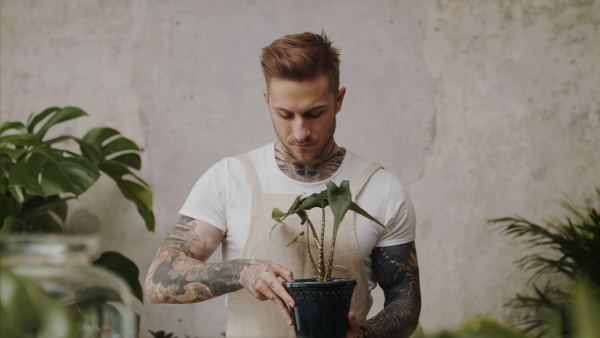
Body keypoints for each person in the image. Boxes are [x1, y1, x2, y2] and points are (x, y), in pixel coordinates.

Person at [145, 31, 421, 338]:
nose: (301, 132)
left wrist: (366, 334)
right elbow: (160, 280)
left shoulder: (381, 189)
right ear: (267, 101)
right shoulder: (229, 179)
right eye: (285, 114)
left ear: (339, 100)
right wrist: (242, 271)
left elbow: (405, 300)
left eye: (314, 113)